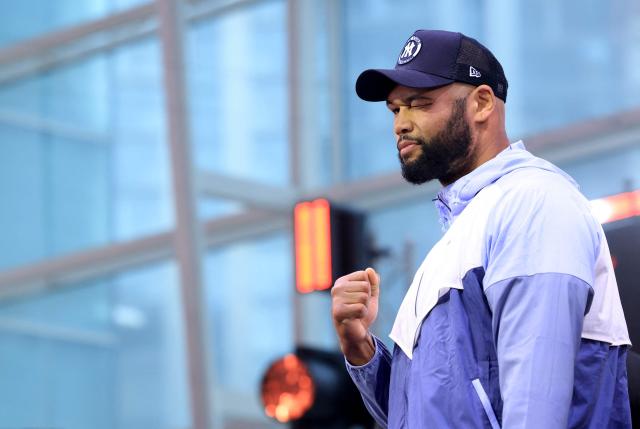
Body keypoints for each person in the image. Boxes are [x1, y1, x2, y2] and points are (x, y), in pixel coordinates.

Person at [330, 29, 632, 428]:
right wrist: (361, 349)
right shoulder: (458, 240)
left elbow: (536, 407)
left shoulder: (531, 202)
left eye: (418, 104)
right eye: (394, 110)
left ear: (482, 103)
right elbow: (418, 415)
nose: (400, 124)